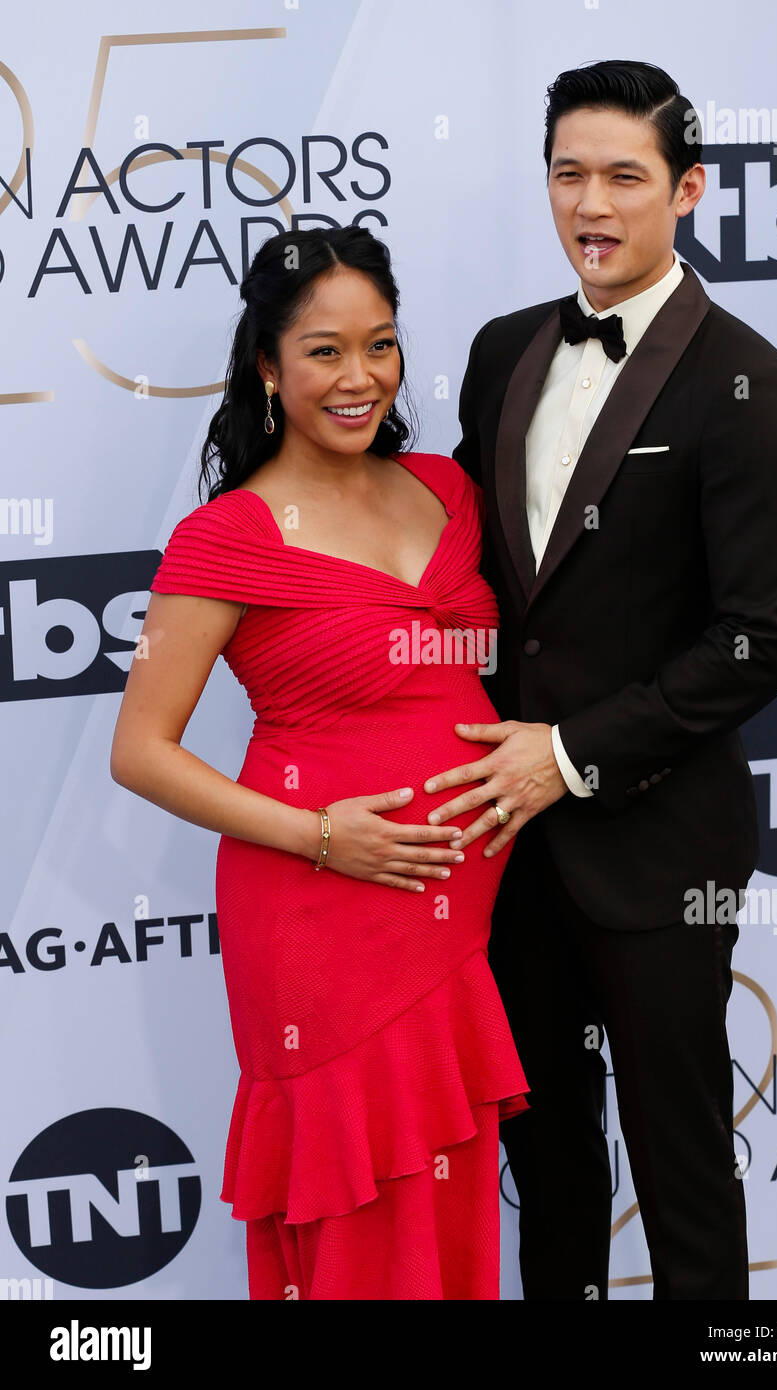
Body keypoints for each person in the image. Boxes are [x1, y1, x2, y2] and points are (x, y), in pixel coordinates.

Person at [420, 60, 777, 1299]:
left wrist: (573, 752)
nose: (592, 203)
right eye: (568, 173)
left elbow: (760, 639)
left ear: (688, 190)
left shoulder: (750, 386)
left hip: (655, 853)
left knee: (684, 1175)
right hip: (508, 843)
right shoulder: (502, 353)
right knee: (546, 1169)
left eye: (625, 178)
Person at [109, 226, 529, 1300]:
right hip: (319, 912)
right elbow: (141, 753)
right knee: (350, 1205)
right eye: (325, 352)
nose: (360, 379)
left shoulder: (448, 489)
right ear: (267, 365)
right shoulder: (226, 538)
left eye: (380, 346)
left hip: (458, 924)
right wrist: (324, 836)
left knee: (442, 1197)